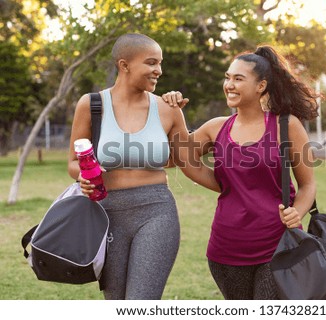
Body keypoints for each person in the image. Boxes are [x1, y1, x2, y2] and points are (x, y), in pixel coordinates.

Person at [68, 33, 219, 300]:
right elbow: (73, 161)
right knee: (115, 301)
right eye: (151, 63)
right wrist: (83, 176)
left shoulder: (168, 108)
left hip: (156, 212)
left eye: (160, 63)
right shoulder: (91, 105)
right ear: (124, 65)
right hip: (106, 214)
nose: (158, 70)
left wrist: (235, 182)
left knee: (143, 302)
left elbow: (186, 159)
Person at [163, 45, 319, 299]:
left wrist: (297, 212)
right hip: (226, 248)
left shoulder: (286, 125)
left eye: (238, 78)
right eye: (227, 77)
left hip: (278, 245)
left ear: (261, 86)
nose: (229, 85)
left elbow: (308, 185)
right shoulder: (216, 128)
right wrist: (173, 112)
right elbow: (175, 159)